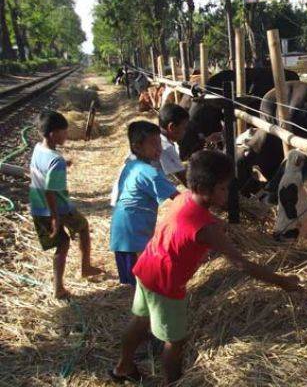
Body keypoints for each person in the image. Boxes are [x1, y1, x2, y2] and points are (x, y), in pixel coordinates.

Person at [110, 150, 302, 387]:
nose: (227, 193)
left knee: (140, 319)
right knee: (176, 340)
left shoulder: (183, 198)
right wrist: (282, 281)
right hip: (166, 283)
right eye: (222, 188)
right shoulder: (207, 229)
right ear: (203, 188)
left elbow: (188, 222)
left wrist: (217, 222)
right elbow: (241, 263)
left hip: (147, 268)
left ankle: (123, 367)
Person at [29, 111, 102, 299]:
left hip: (38, 207)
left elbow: (43, 172)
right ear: (53, 133)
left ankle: (59, 287)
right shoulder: (56, 160)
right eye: (64, 131)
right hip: (58, 208)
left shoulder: (39, 148)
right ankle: (84, 269)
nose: (66, 135)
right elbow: (50, 191)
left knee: (61, 244)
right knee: (82, 228)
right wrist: (55, 217)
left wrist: (63, 164)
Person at [110, 121, 179, 286]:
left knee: (138, 282)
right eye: (153, 144)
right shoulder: (150, 173)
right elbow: (178, 198)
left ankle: (139, 309)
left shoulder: (132, 165)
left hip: (123, 230)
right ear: (137, 147)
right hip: (133, 234)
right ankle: (141, 311)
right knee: (143, 281)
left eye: (159, 143)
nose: (159, 148)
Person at [156, 103, 189, 186]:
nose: (185, 132)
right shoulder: (165, 147)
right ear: (172, 127)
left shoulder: (153, 136)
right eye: (184, 128)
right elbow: (186, 181)